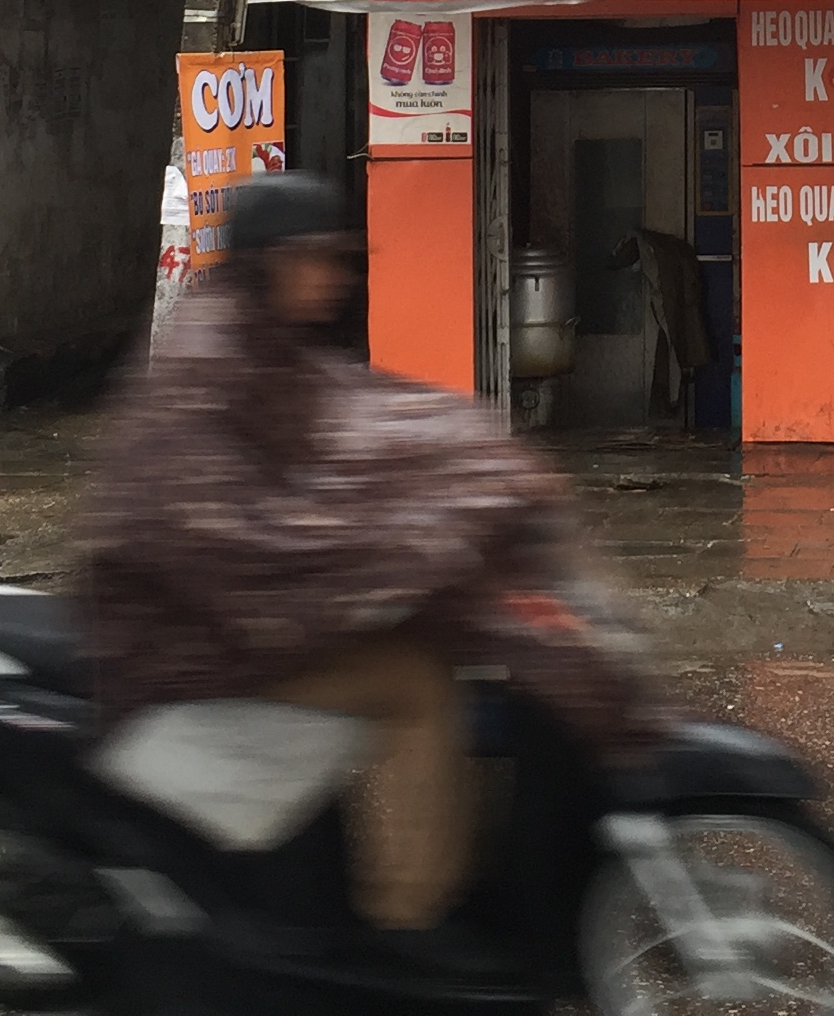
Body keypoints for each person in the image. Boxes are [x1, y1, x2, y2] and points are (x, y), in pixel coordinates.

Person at [80, 172, 656, 980]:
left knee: (458, 647)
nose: (335, 278)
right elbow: (233, 537)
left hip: (245, 620)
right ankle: (411, 923)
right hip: (190, 639)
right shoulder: (211, 362)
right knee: (415, 683)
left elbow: (372, 413)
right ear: (271, 262)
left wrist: (489, 459)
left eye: (339, 259)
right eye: (317, 260)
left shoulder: (268, 340)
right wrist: (394, 556)